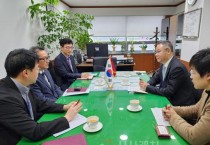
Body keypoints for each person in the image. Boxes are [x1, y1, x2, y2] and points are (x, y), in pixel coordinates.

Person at [0, 49, 82, 145]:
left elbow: (39, 103)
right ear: (26, 73)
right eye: (37, 69)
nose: (38, 71)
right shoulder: (5, 99)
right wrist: (67, 118)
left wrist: (64, 107)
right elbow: (34, 132)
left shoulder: (22, 84)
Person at [162, 48, 210, 145]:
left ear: (208, 76)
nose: (190, 76)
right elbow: (196, 109)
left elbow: (194, 136)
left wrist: (172, 116)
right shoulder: (207, 90)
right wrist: (173, 109)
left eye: (193, 72)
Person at [139, 41, 201, 106]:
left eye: (158, 51)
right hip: (167, 98)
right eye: (155, 52)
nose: (155, 54)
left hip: (178, 104)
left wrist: (147, 87)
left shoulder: (177, 68)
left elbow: (169, 91)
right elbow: (156, 78)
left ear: (168, 51)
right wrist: (147, 84)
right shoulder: (164, 63)